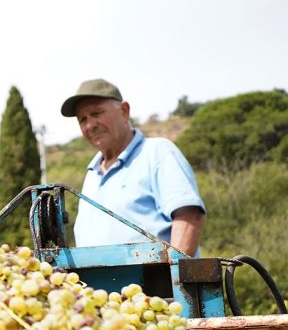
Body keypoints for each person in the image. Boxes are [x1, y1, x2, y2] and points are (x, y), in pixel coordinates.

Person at [60, 78, 205, 256]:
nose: (90, 125)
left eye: (96, 113)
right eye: (82, 120)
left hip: (155, 274)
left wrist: (176, 272)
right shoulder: (92, 173)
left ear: (124, 111)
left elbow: (189, 217)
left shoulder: (157, 152)